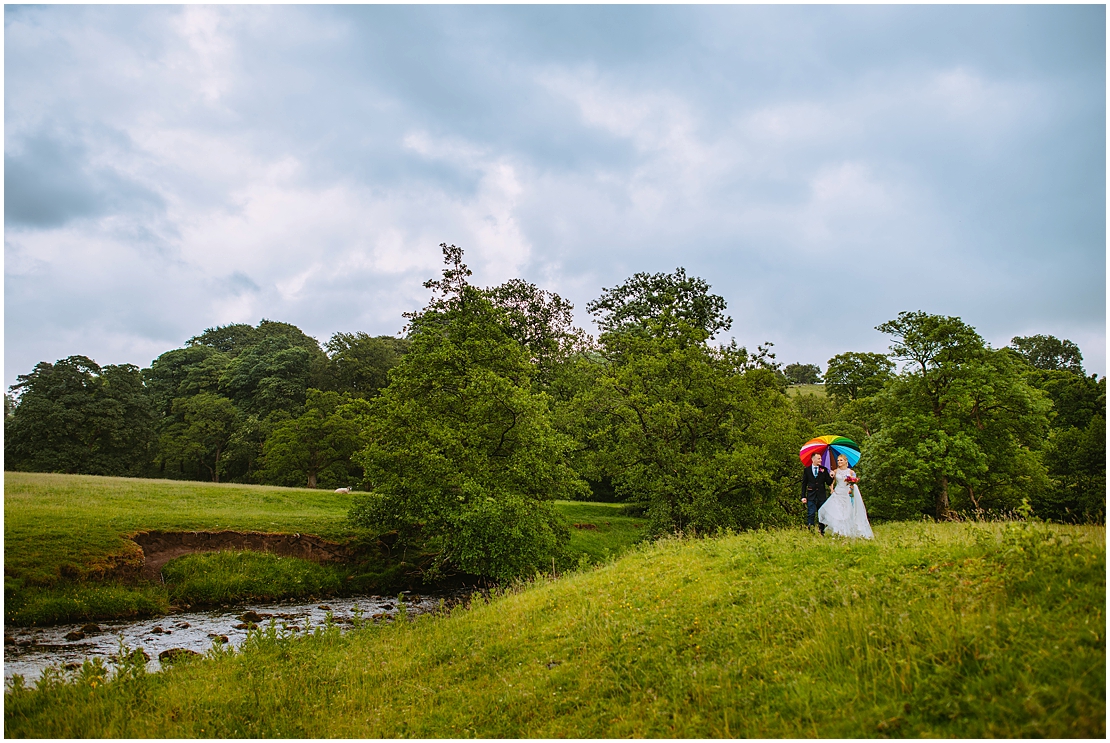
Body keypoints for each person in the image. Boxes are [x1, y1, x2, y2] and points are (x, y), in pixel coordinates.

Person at [818, 453, 873, 539]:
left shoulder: (851, 472)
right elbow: (831, 482)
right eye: (838, 460)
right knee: (836, 511)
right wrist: (832, 489)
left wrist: (851, 484)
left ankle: (846, 531)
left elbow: (853, 482)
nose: (839, 462)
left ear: (845, 461)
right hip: (838, 493)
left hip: (847, 493)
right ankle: (838, 531)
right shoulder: (835, 471)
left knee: (846, 513)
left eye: (841, 460)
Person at [801, 452, 834, 534]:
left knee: (822, 514)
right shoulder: (807, 470)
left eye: (821, 458)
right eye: (819, 458)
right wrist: (803, 496)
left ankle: (821, 531)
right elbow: (804, 484)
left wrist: (832, 476)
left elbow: (829, 483)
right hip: (811, 496)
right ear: (813, 459)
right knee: (811, 513)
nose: (821, 460)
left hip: (821, 496)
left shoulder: (824, 469)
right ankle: (810, 531)